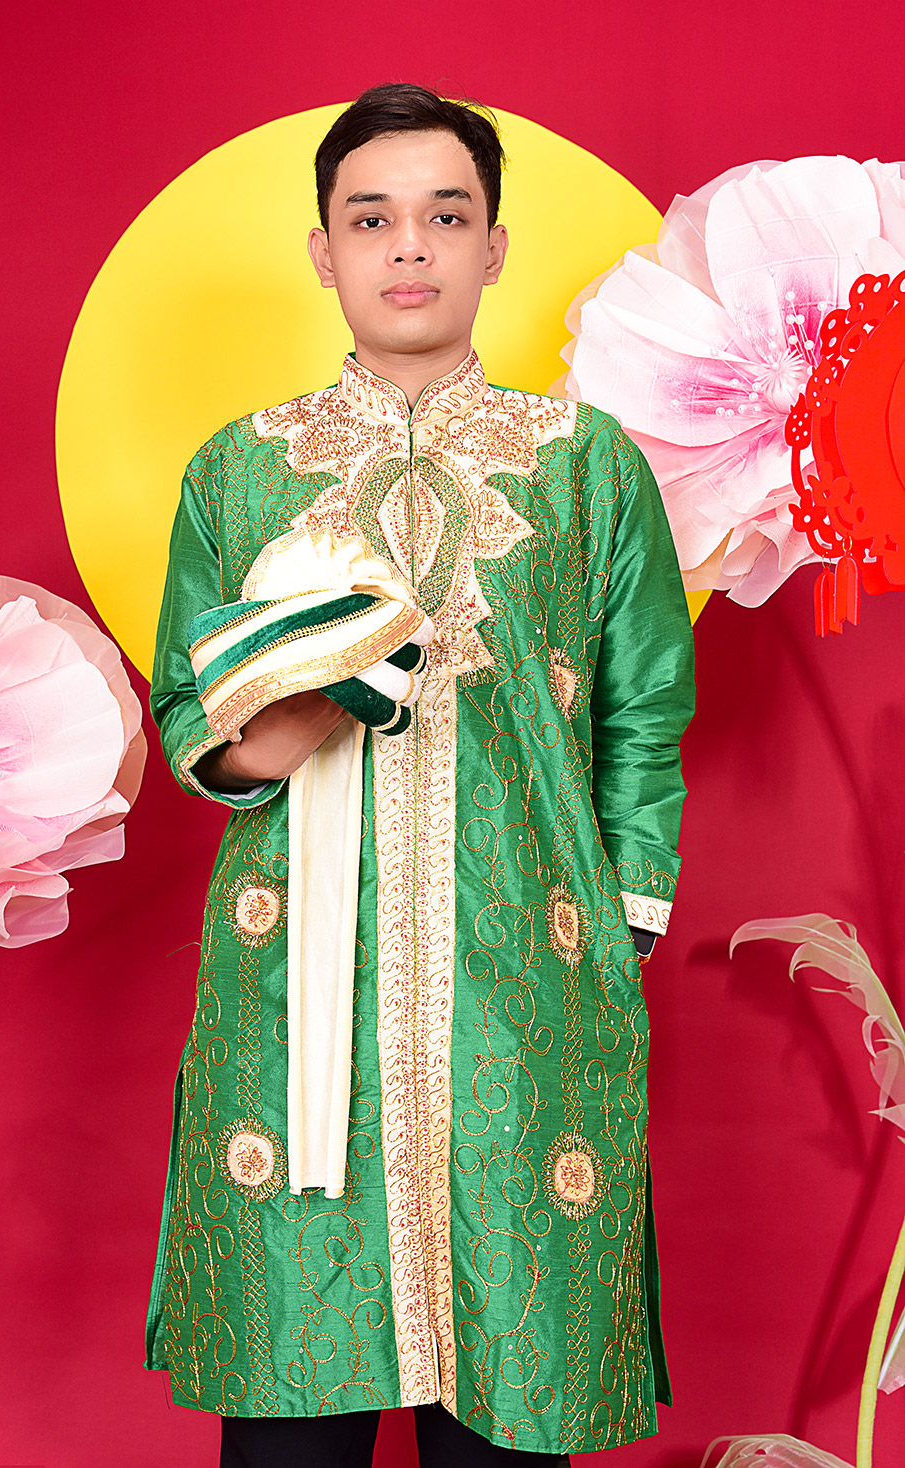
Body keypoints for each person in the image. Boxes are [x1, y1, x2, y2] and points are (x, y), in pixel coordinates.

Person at [146, 83, 695, 1467]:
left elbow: (642, 712)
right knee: (295, 1405)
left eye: (445, 217)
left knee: (510, 1399)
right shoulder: (241, 471)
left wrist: (617, 925)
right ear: (322, 250)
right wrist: (302, 708)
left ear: (494, 248)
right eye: (370, 218)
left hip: (529, 982)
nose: (408, 246)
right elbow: (188, 716)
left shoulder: (586, 468)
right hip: (297, 990)